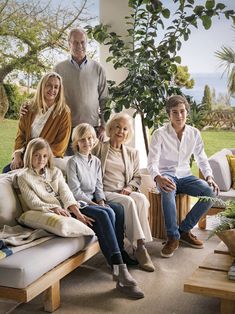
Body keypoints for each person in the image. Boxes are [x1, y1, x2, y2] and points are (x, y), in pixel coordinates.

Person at [17, 138, 144, 299]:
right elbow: (32, 201)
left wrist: (77, 213)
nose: (41, 159)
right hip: (56, 211)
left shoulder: (54, 172)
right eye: (36, 156)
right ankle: (120, 272)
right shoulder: (23, 177)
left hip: (71, 207)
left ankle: (119, 271)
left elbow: (66, 193)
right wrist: (54, 208)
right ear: (29, 156)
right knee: (103, 216)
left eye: (44, 156)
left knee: (104, 213)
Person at [147, 95, 219, 258]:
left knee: (211, 192)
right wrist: (158, 178)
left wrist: (209, 176)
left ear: (187, 112)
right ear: (168, 114)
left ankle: (184, 230)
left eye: (182, 111)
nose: (179, 116)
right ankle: (173, 236)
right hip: (166, 175)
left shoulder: (194, 133)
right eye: (175, 112)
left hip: (186, 175)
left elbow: (201, 157)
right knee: (168, 189)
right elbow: (152, 162)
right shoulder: (159, 134)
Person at [66, 123, 138, 266]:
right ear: (76, 142)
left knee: (118, 208)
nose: (87, 142)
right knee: (107, 213)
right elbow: (76, 192)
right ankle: (115, 260)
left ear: (94, 140)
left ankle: (121, 250)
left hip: (94, 200)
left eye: (90, 138)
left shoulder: (96, 161)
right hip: (80, 204)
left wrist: (101, 201)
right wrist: (94, 204)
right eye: (82, 139)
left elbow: (99, 186)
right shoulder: (72, 163)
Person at [93, 112, 155, 272]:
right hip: (106, 192)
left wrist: (129, 188)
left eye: (125, 129)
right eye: (117, 127)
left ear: (128, 133)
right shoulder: (99, 148)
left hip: (124, 190)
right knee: (128, 202)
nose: (121, 131)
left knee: (141, 199)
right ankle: (141, 247)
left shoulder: (132, 153)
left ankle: (138, 245)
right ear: (110, 129)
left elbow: (136, 177)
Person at [3, 72, 71, 173]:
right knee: (7, 171)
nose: (53, 90)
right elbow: (21, 135)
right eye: (49, 85)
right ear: (42, 87)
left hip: (45, 159)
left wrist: (37, 158)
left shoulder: (64, 112)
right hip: (26, 155)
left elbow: (60, 146)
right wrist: (17, 155)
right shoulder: (28, 108)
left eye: (56, 87)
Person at [54, 27, 108, 152]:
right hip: (67, 128)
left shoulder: (97, 68)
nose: (79, 46)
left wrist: (104, 126)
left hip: (92, 128)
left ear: (87, 43)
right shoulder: (59, 69)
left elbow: (104, 99)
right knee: (70, 165)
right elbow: (50, 97)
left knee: (91, 164)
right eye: (75, 42)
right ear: (69, 44)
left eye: (82, 42)